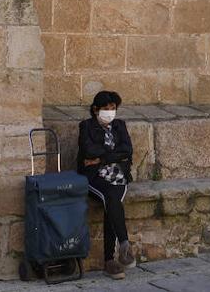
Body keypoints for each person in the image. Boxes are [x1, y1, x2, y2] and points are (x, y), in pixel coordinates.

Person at [77, 90, 135, 279]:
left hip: (119, 176)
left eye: (113, 109)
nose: (110, 112)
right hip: (95, 177)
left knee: (112, 200)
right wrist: (110, 156)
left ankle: (111, 260)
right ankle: (122, 247)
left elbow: (127, 150)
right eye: (106, 109)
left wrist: (100, 158)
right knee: (111, 199)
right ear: (96, 109)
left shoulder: (119, 126)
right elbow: (88, 150)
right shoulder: (86, 126)